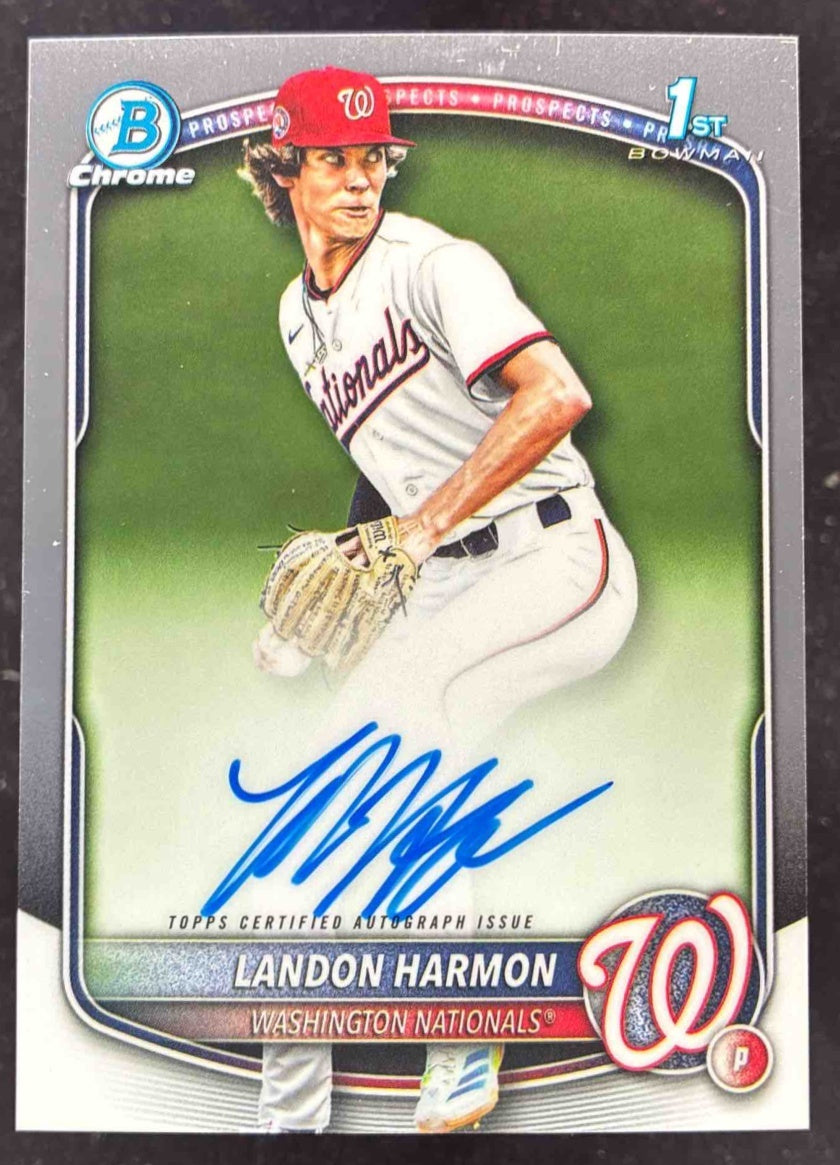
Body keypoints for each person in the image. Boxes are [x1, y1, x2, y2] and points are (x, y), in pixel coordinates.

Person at [242, 64, 638, 1134]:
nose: (359, 178)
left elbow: (555, 395)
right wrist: (318, 605)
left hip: (557, 561)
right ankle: (286, 1120)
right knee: (305, 826)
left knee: (401, 763)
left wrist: (417, 533)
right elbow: (392, 466)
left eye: (373, 157)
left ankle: (462, 1036)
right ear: (283, 172)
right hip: (447, 583)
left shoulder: (435, 267)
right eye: (332, 158)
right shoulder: (297, 314)